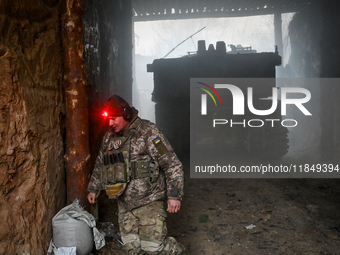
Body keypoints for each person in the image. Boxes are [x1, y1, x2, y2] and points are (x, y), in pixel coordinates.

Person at [87, 95, 185, 255]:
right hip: (124, 204)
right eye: (108, 119)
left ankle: (175, 249)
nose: (110, 123)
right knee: (133, 249)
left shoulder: (149, 132)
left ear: (125, 115)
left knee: (153, 249)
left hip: (149, 201)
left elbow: (171, 163)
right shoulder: (109, 137)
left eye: (113, 118)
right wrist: (93, 187)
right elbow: (101, 163)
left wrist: (174, 195)